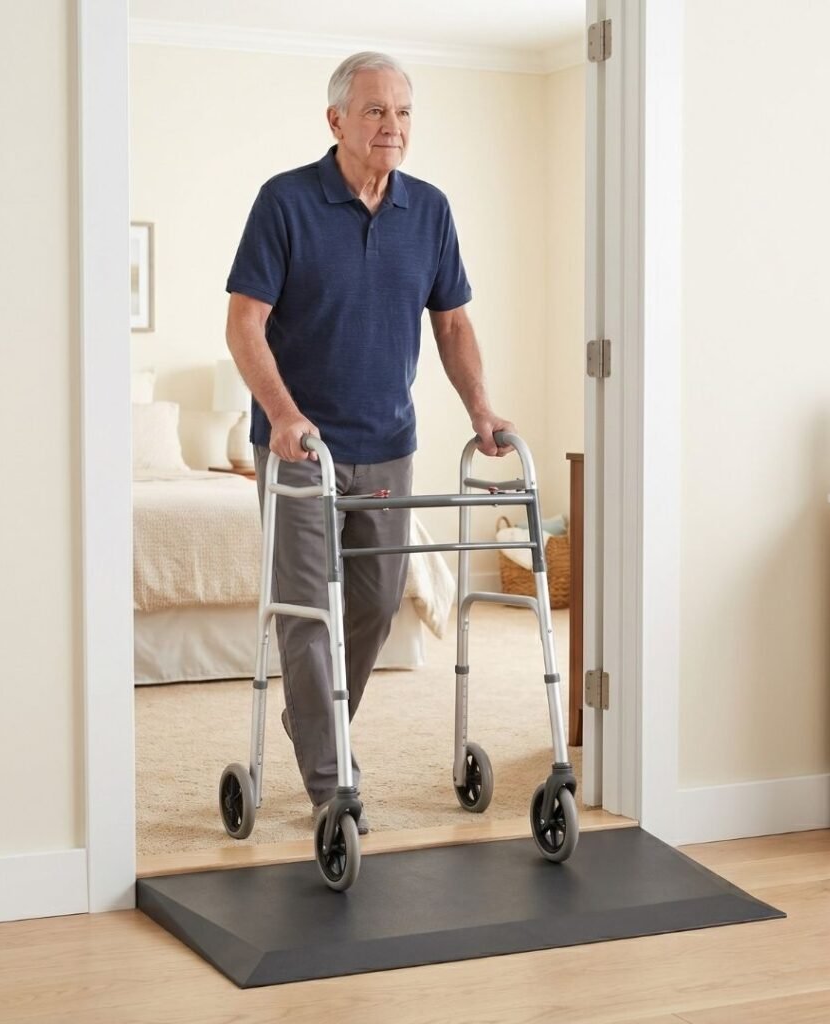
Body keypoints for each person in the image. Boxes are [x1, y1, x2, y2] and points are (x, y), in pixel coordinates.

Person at [224, 51, 514, 834]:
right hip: (299, 451)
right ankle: (332, 784)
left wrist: (481, 409)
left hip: (388, 441)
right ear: (337, 121)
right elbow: (244, 323)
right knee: (309, 612)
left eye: (404, 113)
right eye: (376, 111)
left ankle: (310, 718)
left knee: (379, 601)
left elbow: (451, 323)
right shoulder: (284, 203)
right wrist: (282, 415)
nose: (393, 126)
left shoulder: (431, 210)